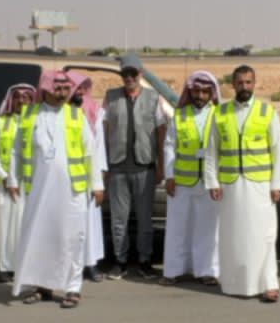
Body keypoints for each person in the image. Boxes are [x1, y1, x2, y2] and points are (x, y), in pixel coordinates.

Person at [8, 68, 105, 309]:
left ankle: (73, 289)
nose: (63, 93)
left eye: (66, 88)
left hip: (72, 190)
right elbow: (17, 150)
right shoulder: (29, 115)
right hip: (39, 190)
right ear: (46, 89)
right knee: (41, 238)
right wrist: (12, 179)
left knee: (72, 239)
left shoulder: (76, 115)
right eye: (58, 88)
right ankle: (42, 287)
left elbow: (90, 152)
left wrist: (97, 184)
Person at [206, 65, 280, 303]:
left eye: (248, 82)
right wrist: (212, 181)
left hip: (260, 186)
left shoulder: (267, 111)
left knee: (264, 235)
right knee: (233, 236)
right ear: (233, 84)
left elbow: (277, 150)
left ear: (254, 83)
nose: (244, 87)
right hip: (230, 186)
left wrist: (277, 184)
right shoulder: (220, 113)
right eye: (240, 83)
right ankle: (234, 284)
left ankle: (269, 284)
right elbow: (212, 151)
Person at [102, 57, 169, 278]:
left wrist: (160, 165)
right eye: (125, 74)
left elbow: (161, 132)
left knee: (145, 220)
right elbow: (103, 130)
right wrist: (104, 165)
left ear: (140, 73)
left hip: (144, 167)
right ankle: (120, 261)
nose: (129, 78)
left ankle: (144, 261)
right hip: (118, 167)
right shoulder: (111, 97)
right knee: (118, 220)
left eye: (133, 73)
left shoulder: (153, 98)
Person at [160, 70, 222, 287]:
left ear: (212, 93)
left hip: (209, 182)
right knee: (178, 228)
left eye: (205, 92)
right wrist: (169, 176)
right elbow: (169, 146)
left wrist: (219, 181)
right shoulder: (180, 115)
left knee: (208, 229)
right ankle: (173, 271)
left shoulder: (220, 115)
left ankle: (207, 271)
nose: (200, 96)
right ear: (190, 92)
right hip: (182, 182)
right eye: (196, 91)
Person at [0, 83, 38, 283]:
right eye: (18, 97)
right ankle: (5, 268)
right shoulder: (0, 123)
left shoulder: (37, 122)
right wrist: (4, 177)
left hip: (30, 183)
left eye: (26, 97)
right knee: (5, 227)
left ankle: (25, 266)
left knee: (27, 227)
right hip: (5, 184)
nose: (22, 100)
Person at [67, 71, 108, 283]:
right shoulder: (60, 112)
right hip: (65, 178)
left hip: (88, 176)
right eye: (76, 87)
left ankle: (90, 264)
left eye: (84, 87)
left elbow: (98, 145)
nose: (80, 91)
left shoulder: (95, 111)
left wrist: (99, 177)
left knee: (90, 223)